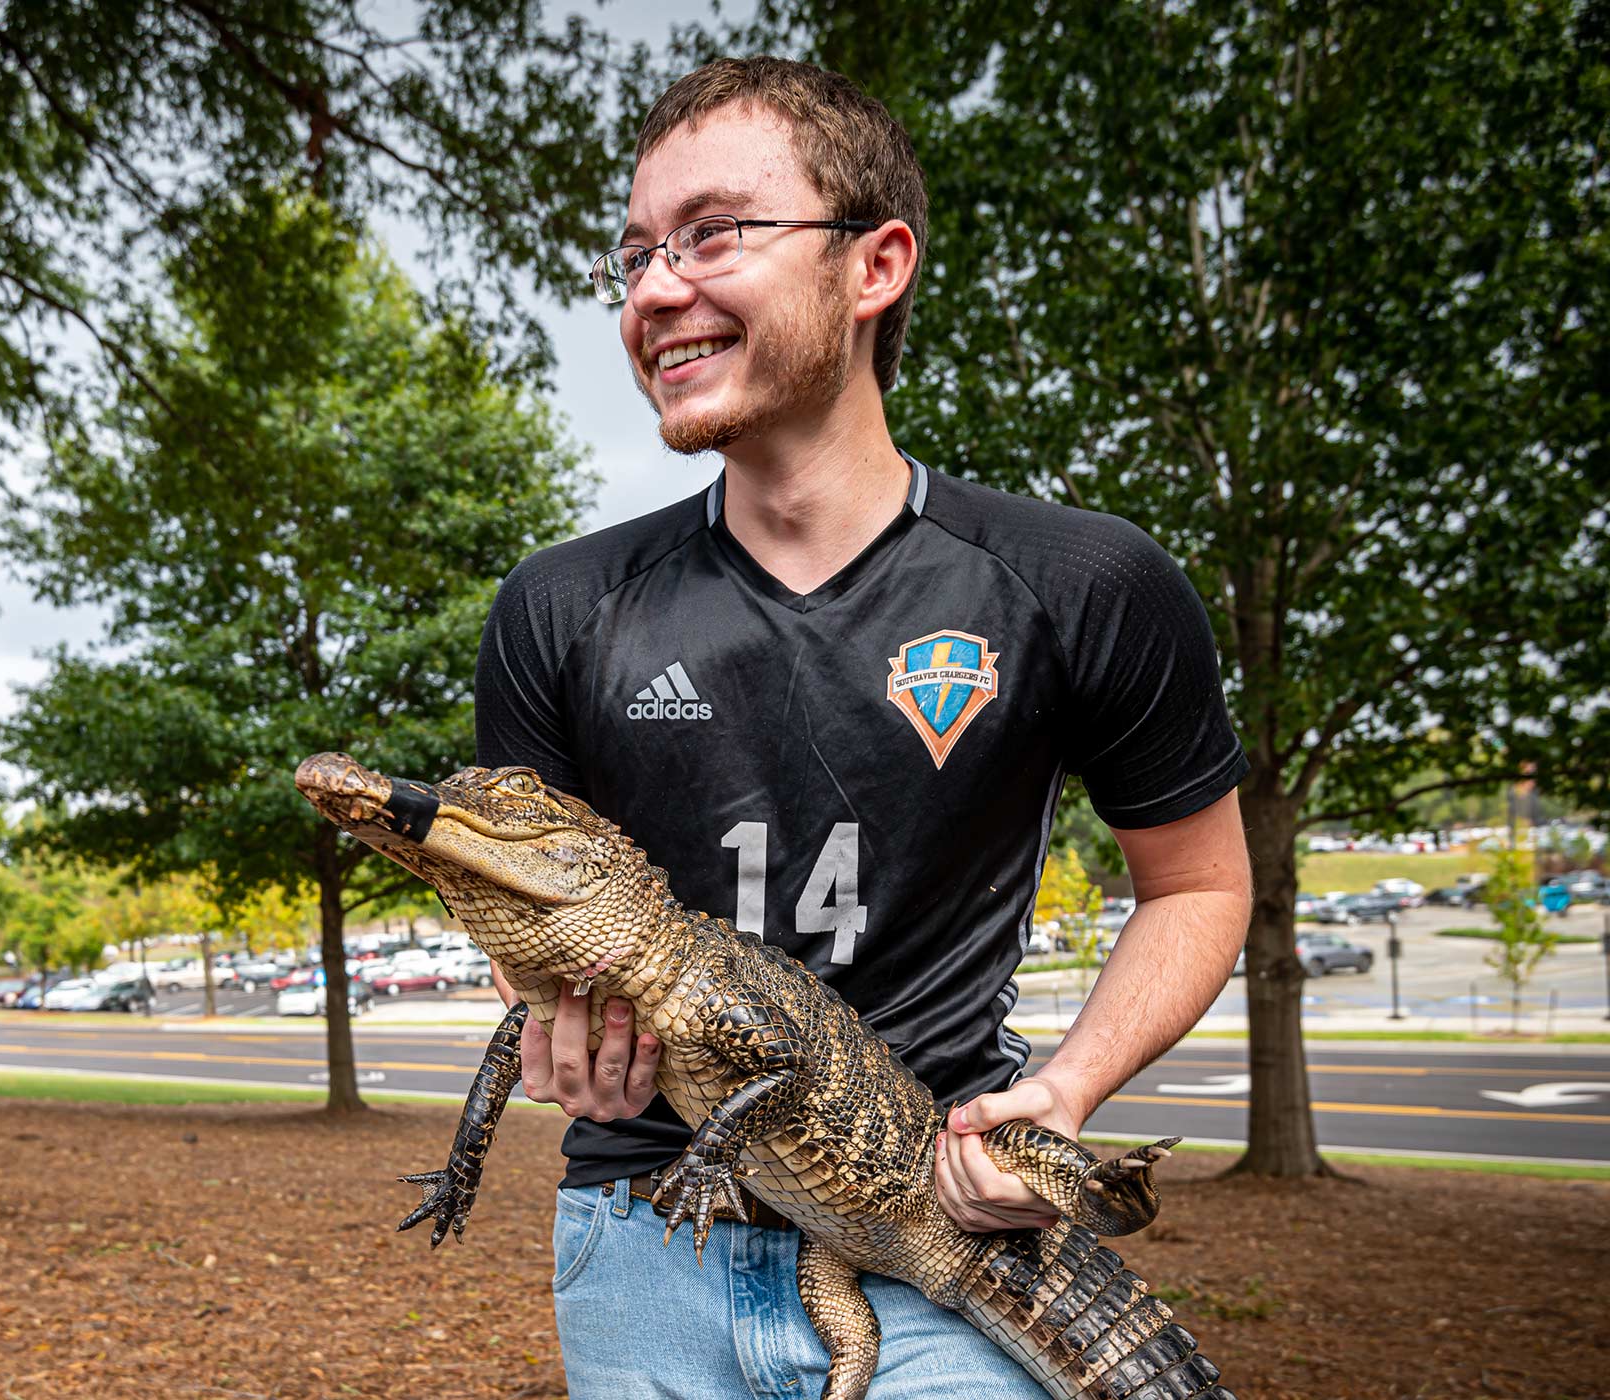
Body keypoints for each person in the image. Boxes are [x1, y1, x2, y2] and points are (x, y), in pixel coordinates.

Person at [475, 57, 1252, 1397]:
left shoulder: (1082, 583)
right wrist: (558, 1022)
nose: (655, 289)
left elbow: (1198, 884)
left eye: (713, 235)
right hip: (644, 1231)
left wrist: (1063, 1094)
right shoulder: (559, 606)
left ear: (876, 263)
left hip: (942, 1224)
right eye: (636, 254)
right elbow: (528, 912)